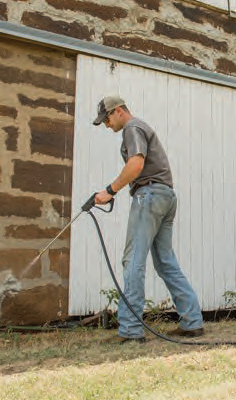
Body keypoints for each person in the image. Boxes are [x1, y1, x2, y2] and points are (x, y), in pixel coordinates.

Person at [93, 95, 203, 343]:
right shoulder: (140, 127)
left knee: (133, 260)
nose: (107, 125)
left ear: (119, 111)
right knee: (165, 262)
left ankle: (131, 330)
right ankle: (192, 321)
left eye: (107, 119)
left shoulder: (132, 128)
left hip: (150, 195)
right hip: (166, 195)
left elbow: (136, 164)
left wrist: (109, 191)